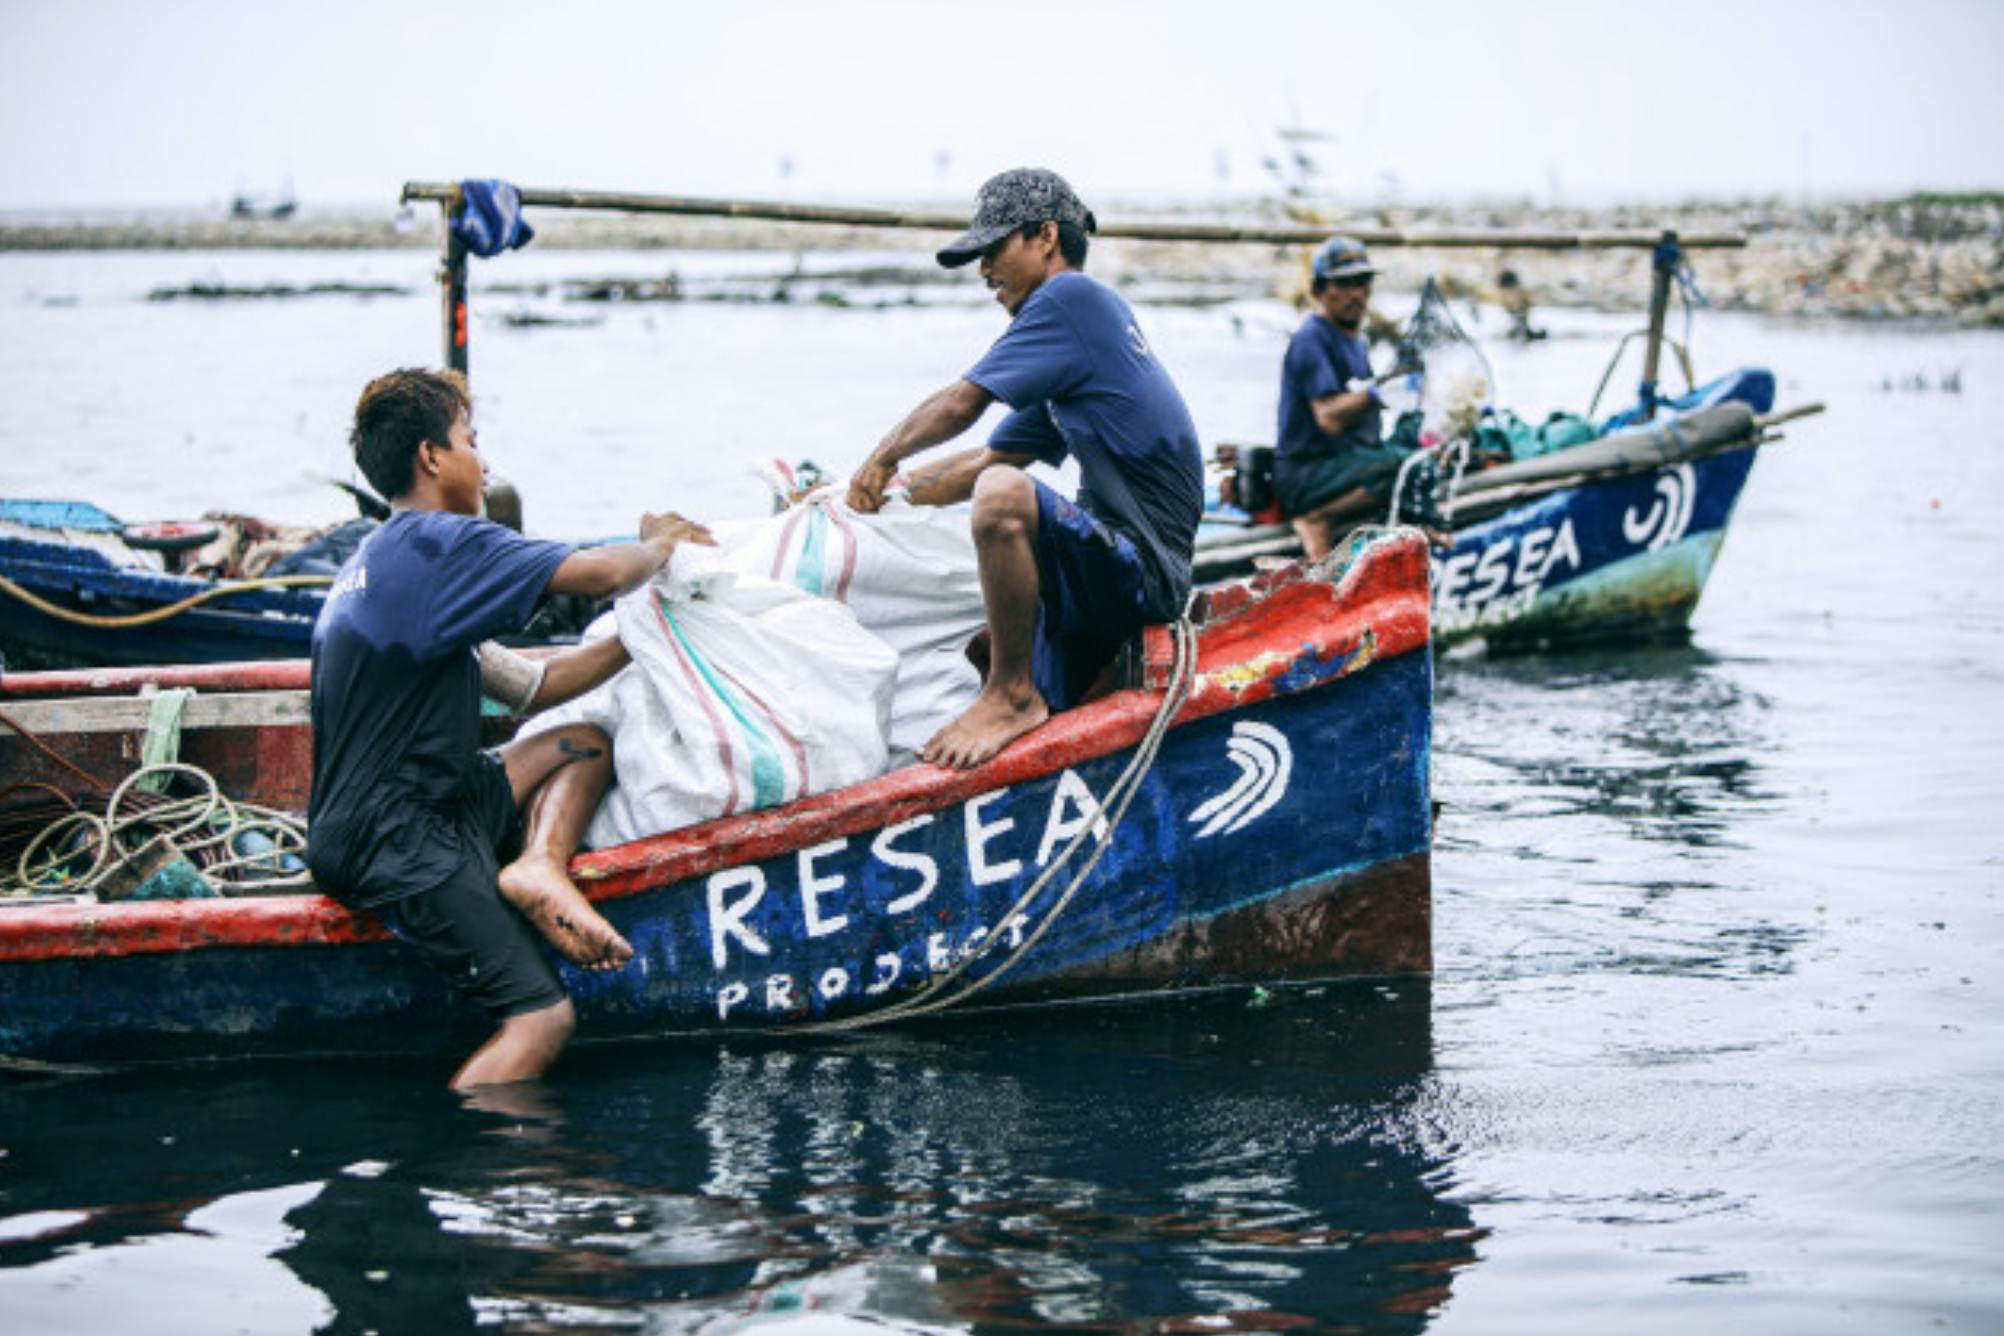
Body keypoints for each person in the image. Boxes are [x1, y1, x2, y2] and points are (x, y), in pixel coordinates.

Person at [306, 368, 712, 1090]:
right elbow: (599, 574)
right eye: (470, 441)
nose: (484, 464)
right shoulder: (442, 541)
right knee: (542, 1018)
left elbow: (535, 686)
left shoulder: (380, 559)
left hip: (421, 805)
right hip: (393, 838)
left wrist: (647, 634)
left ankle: (538, 868)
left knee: (583, 742)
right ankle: (477, 1150)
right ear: (431, 456)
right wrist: (659, 545)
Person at [846, 168, 1204, 770]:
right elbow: (983, 459)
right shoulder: (1078, 351)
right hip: (1119, 566)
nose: (985, 270)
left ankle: (1012, 696)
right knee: (978, 640)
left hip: (1146, 571)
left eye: (993, 249)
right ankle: (1013, 682)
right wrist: (873, 495)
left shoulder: (1070, 299)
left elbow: (963, 406)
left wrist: (881, 456)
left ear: (1045, 236)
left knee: (1003, 495)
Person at [1274, 235, 1421, 560]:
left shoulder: (1356, 342)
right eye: (1342, 284)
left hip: (1343, 463)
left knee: (1419, 447)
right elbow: (1329, 417)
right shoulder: (1312, 339)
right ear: (1318, 291)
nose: (1355, 293)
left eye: (1362, 282)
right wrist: (1381, 392)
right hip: (1308, 474)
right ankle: (1318, 517)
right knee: (1402, 464)